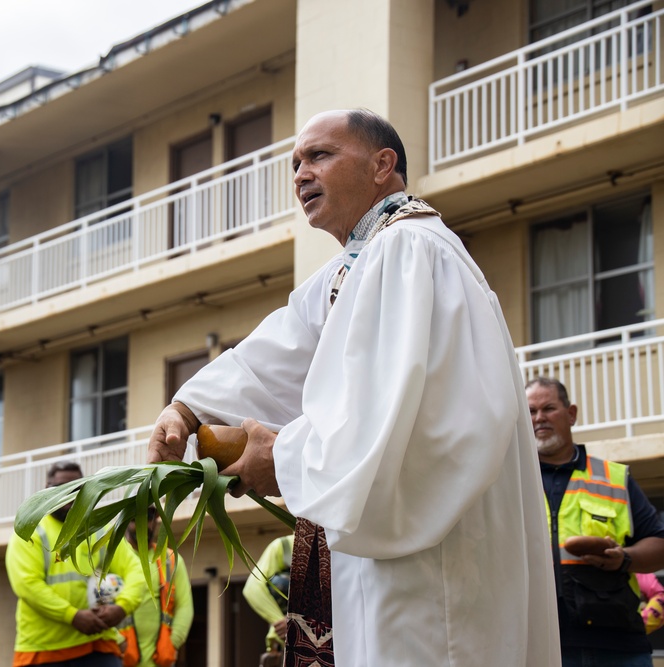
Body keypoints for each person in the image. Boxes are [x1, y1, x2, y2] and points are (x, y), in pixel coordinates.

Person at [148, 109, 559, 666]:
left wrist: (287, 462)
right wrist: (186, 409)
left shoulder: (411, 249)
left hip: (432, 564)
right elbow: (281, 350)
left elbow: (388, 415)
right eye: (295, 164)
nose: (299, 174)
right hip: (383, 557)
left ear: (382, 165)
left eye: (319, 156)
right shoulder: (356, 264)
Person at [526, 377, 664, 666]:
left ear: (571, 414)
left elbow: (658, 544)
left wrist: (624, 558)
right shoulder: (510, 484)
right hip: (540, 646)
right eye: (530, 411)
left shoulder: (613, 477)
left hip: (618, 646)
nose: (539, 418)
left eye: (548, 408)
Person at [6, 461, 147, 666]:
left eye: (78, 488)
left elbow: (136, 570)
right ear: (48, 491)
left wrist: (122, 608)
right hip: (43, 650)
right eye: (62, 488)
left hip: (97, 645)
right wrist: (73, 616)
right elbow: (27, 585)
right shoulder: (30, 532)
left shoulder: (99, 529)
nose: (70, 495)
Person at [119, 506, 192, 667]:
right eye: (135, 518)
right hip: (121, 659)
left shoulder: (170, 559)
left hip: (160, 660)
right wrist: (117, 640)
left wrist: (173, 643)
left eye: (149, 518)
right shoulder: (114, 558)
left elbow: (185, 606)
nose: (143, 524)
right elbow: (97, 603)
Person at [241, 534, 292, 662]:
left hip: (328, 637)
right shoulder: (285, 545)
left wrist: (298, 623)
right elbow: (253, 588)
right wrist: (281, 622)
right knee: (278, 582)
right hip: (284, 644)